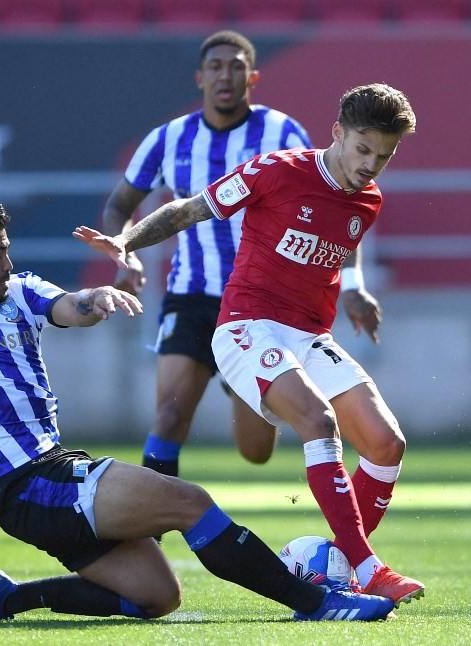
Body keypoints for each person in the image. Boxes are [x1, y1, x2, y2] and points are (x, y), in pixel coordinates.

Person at [0, 201, 393, 622]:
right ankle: (318, 602)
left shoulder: (20, 292)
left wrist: (97, 297)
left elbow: (70, 305)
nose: (8, 261)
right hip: (27, 482)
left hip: (51, 472)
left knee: (157, 596)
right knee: (190, 503)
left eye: (8, 249)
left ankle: (11, 598)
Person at [75, 83, 424, 607]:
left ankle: (339, 569)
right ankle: (370, 569)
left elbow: (343, 244)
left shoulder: (367, 200)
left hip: (310, 336)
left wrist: (354, 289)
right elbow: (188, 210)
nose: (371, 165)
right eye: (363, 149)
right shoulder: (275, 171)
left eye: (384, 156)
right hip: (246, 327)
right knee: (318, 422)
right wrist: (126, 240)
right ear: (337, 133)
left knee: (386, 442)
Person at [102, 30, 313, 478]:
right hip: (192, 297)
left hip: (258, 303)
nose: (225, 76)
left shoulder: (283, 133)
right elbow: (119, 205)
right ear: (200, 77)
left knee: (256, 451)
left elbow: (322, 208)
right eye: (215, 67)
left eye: (236, 67)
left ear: (252, 77)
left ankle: (238, 383)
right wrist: (126, 254)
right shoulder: (169, 138)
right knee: (169, 417)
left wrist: (344, 282)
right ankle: (151, 513)